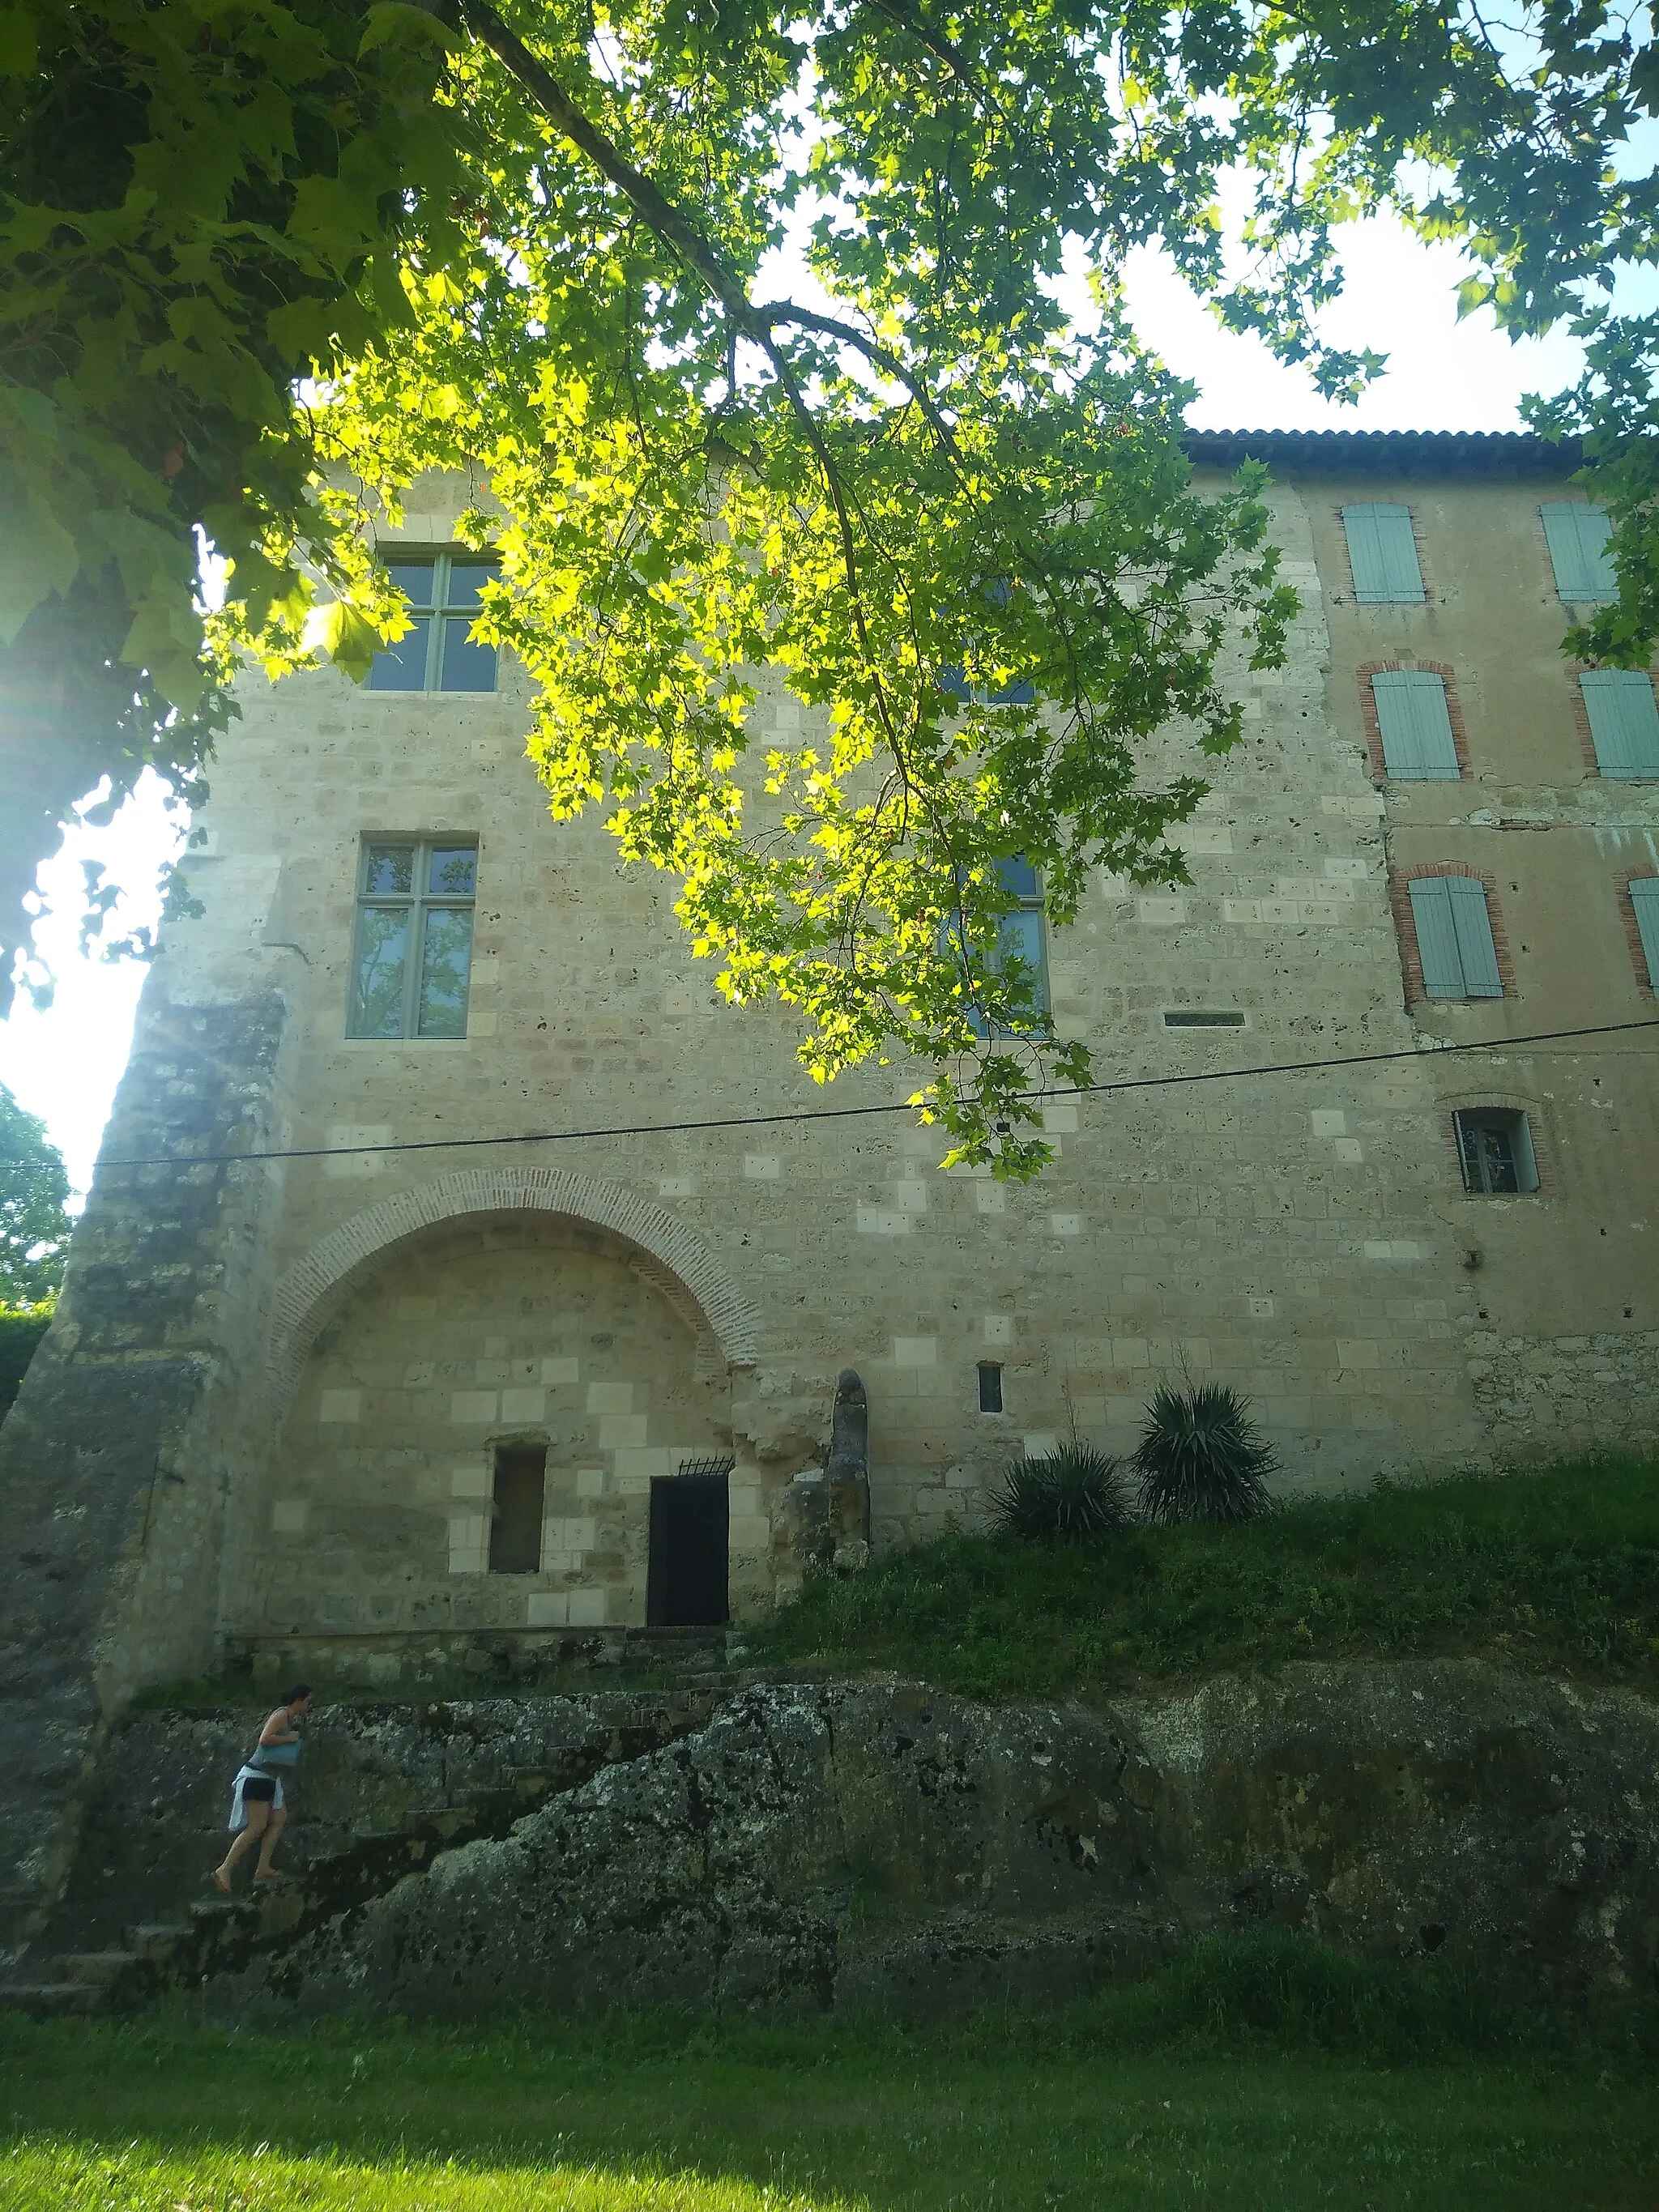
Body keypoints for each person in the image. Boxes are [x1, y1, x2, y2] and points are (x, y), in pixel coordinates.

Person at [211, 1684, 313, 1893]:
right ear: (299, 1700)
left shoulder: (289, 1719)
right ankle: (224, 1868)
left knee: (279, 1818)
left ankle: (263, 1867)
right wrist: (289, 1738)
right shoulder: (282, 1715)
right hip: (257, 1776)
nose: (310, 1706)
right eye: (309, 1701)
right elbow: (264, 1739)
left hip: (269, 1778)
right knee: (257, 1826)